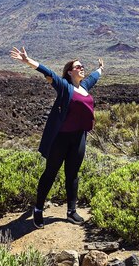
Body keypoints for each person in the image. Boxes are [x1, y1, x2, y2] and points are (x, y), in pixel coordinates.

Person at [10, 46, 104, 229]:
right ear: (70, 72)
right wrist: (27, 61)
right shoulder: (64, 87)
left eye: (82, 66)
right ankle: (38, 209)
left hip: (78, 138)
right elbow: (48, 72)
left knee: (73, 174)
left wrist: (100, 68)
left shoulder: (84, 86)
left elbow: (94, 77)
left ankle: (71, 211)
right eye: (78, 67)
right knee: (50, 173)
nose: (81, 68)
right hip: (60, 138)